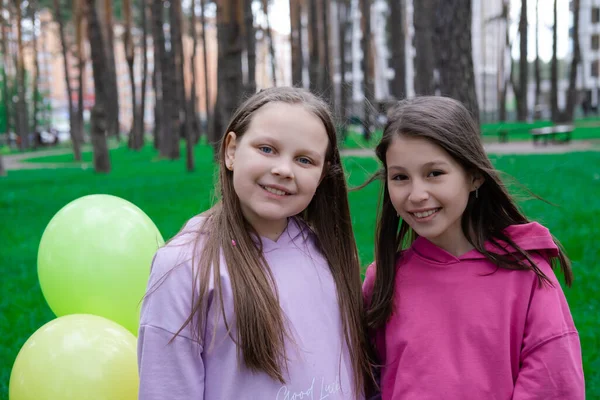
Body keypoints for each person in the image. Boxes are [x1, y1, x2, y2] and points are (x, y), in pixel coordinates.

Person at [137, 87, 373, 399]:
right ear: (231, 150)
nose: (283, 170)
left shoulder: (332, 255)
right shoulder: (184, 266)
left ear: (323, 174)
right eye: (267, 149)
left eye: (304, 160)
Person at [362, 96, 585, 399]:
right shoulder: (383, 279)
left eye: (434, 173)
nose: (416, 194)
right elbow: (364, 380)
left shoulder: (527, 274)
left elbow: (553, 384)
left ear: (474, 175)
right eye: (400, 177)